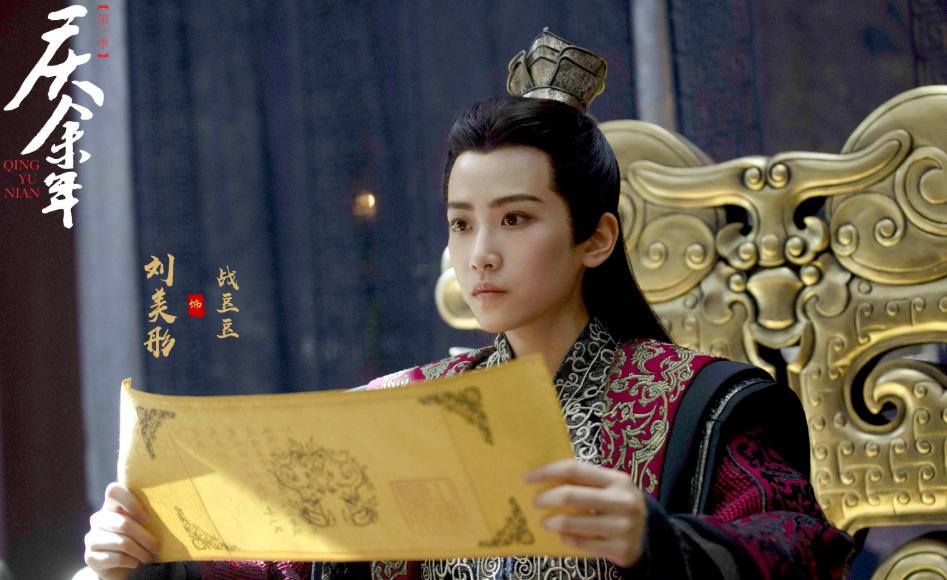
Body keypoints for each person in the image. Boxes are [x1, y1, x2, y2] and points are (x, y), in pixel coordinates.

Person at [84, 32, 854, 580]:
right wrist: (149, 552)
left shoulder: (701, 404)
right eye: (461, 223)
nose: (480, 252)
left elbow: (800, 546)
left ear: (594, 238)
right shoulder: (406, 409)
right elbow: (284, 558)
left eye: (514, 219)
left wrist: (654, 539)